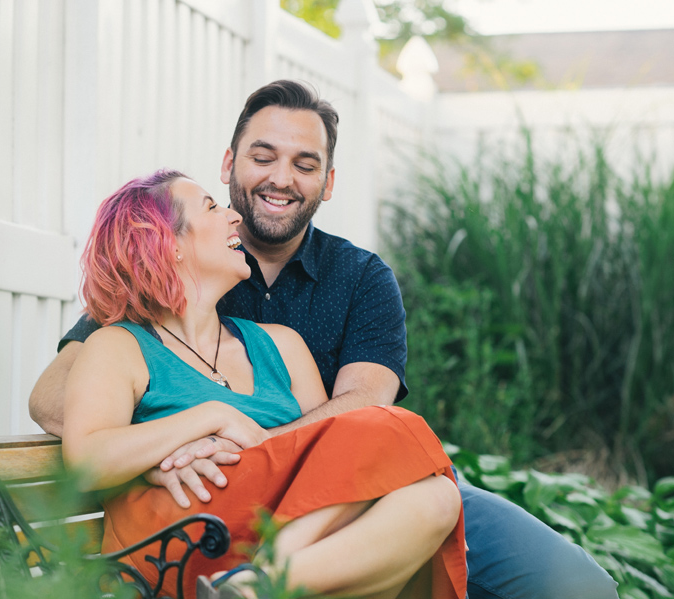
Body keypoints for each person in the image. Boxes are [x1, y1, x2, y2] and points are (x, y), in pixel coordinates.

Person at [32, 80, 619, 599]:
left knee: (558, 575)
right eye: (264, 157)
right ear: (229, 162)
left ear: (328, 182)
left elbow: (365, 410)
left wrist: (258, 451)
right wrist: (167, 450)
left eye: (305, 164)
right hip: (221, 511)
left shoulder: (357, 279)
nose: (281, 178)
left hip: (361, 483)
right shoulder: (147, 309)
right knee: (402, 462)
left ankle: (262, 585)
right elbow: (60, 402)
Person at [63, 168, 466, 599]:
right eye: (211, 207)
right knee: (386, 426)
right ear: (170, 244)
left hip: (281, 524)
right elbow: (85, 462)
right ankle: (261, 580)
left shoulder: (281, 346)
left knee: (439, 498)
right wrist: (212, 416)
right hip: (183, 535)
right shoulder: (118, 346)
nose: (234, 216)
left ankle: (258, 584)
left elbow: (329, 463)